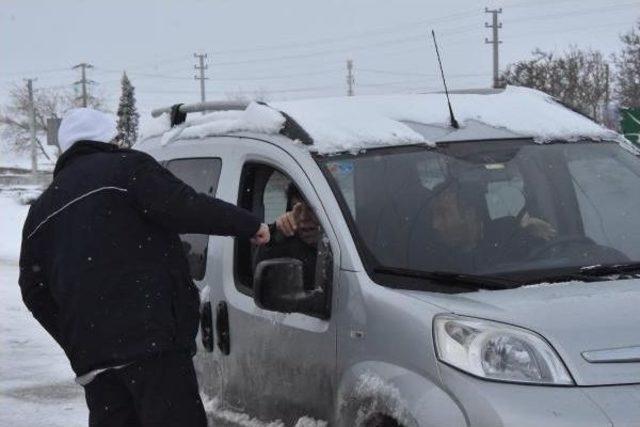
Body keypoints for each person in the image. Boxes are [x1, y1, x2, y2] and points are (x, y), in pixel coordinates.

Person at [18, 108, 270, 427]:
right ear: (109, 138)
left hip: (96, 364)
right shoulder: (127, 169)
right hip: (153, 346)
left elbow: (33, 290)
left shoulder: (41, 210)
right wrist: (249, 225)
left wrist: (78, 338)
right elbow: (185, 206)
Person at [409, 180, 556, 273]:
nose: (435, 225)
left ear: (470, 214)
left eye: (443, 214)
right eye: (433, 215)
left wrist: (528, 232)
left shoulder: (514, 240)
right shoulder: (430, 260)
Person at [254, 184, 321, 289]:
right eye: (297, 209)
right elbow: (261, 273)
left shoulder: (345, 242)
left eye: (311, 209)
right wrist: (276, 233)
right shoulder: (281, 241)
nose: (303, 217)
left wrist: (322, 241)